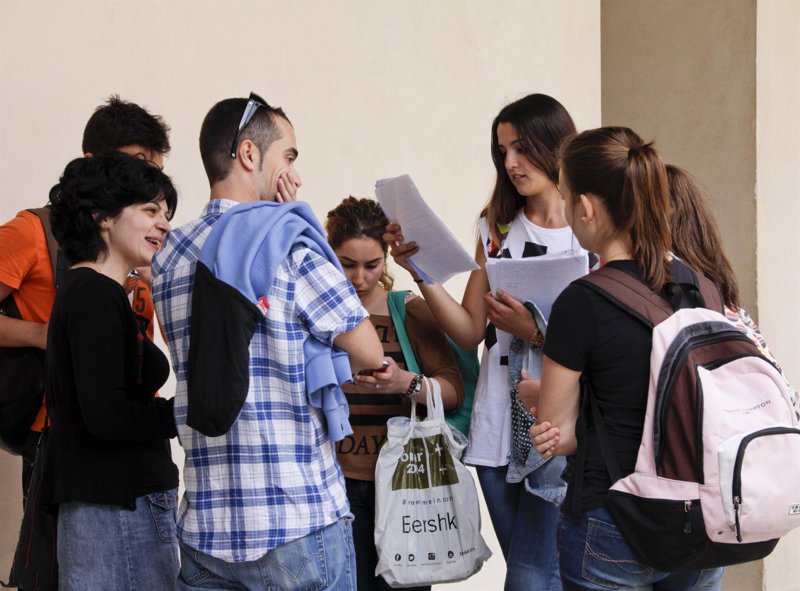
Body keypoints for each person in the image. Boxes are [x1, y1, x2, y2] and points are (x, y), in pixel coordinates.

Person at [152, 93, 387, 591]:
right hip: (296, 522)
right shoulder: (290, 245)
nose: (294, 175)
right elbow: (369, 350)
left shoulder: (168, 256)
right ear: (248, 154)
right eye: (288, 157)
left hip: (206, 530)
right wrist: (289, 221)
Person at [386, 93, 588, 590]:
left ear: (555, 144)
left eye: (522, 148)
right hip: (497, 420)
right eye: (503, 152)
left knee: (533, 574)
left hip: (557, 421)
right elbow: (469, 330)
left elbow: (601, 342)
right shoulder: (496, 228)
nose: (511, 163)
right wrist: (420, 272)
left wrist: (533, 331)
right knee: (535, 569)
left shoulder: (590, 231)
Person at [530, 127, 724, 590]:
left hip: (613, 520)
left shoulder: (582, 300)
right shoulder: (702, 286)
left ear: (587, 206)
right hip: (702, 519)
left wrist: (537, 399)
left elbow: (560, 437)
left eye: (566, 195)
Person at [0, 95, 171, 499]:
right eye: (135, 165)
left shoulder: (145, 242)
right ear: (92, 164)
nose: (145, 182)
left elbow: (172, 339)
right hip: (60, 436)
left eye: (155, 171)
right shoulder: (34, 231)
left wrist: (161, 280)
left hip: (141, 429)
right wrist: (42, 333)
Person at [40, 152, 180, 590]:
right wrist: (185, 413)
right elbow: (107, 415)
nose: (164, 225)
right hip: (117, 507)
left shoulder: (97, 291)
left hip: (114, 504)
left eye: (166, 214)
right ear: (102, 217)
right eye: (151, 210)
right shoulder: (94, 295)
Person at [325, 196, 465, 591]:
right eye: (347, 264)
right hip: (336, 486)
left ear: (386, 259)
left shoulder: (407, 310)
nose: (359, 278)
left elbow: (452, 391)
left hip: (407, 486)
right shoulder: (318, 314)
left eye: (371, 265)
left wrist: (405, 382)